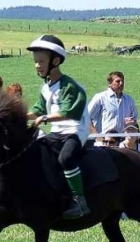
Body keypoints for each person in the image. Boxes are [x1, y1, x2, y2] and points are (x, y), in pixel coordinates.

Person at [26, 34, 91, 219]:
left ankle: (80, 202)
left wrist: (44, 119)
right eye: (35, 61)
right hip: (56, 133)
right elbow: (37, 110)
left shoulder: (70, 86)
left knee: (66, 158)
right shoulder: (45, 87)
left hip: (75, 132)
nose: (37, 65)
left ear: (55, 61)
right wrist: (15, 116)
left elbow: (67, 112)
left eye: (40, 61)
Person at [88, 71, 138, 135]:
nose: (121, 83)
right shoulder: (100, 98)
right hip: (105, 140)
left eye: (122, 81)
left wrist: (131, 122)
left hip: (123, 141)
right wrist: (96, 135)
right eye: (118, 81)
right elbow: (86, 117)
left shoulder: (129, 100)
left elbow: (134, 119)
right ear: (110, 83)